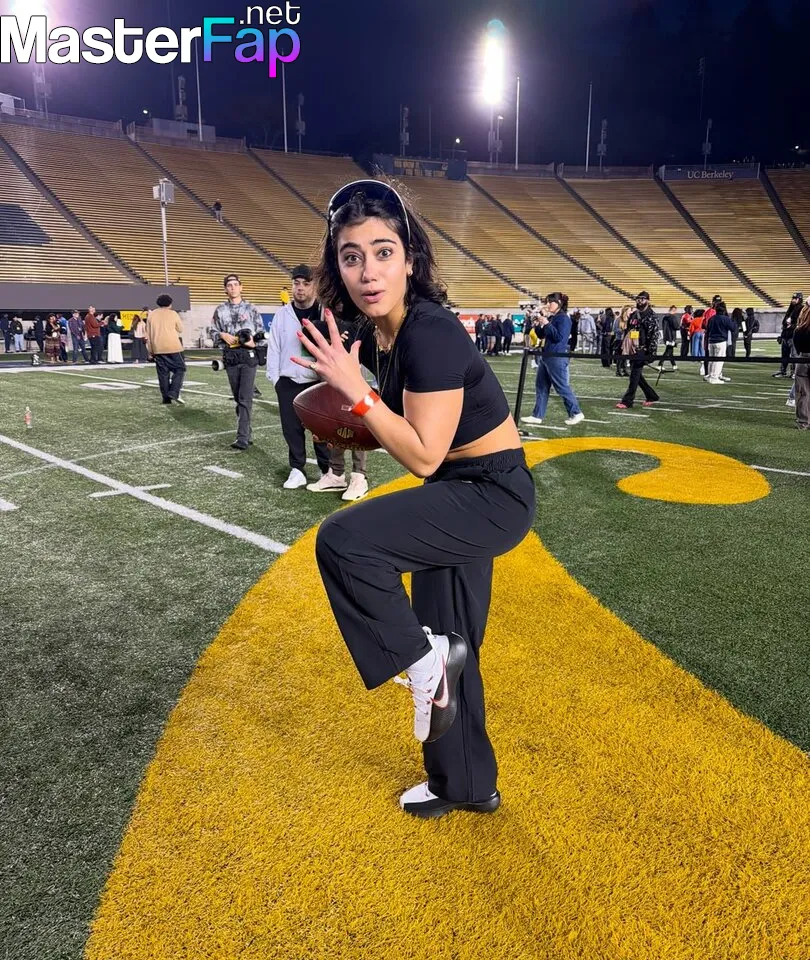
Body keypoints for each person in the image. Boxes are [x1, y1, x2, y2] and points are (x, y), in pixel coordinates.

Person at [297, 178, 535, 820]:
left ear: (410, 259)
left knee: (344, 541)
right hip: (459, 488)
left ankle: (421, 659)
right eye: (351, 257)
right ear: (337, 268)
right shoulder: (383, 332)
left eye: (383, 252)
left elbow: (425, 453)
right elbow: (414, 439)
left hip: (489, 494)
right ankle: (465, 784)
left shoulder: (428, 331)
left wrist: (357, 395)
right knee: (453, 644)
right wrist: (358, 413)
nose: (368, 271)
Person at [266, 264, 331, 484]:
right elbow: (273, 348)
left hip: (318, 380)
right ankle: (297, 469)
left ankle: (326, 469)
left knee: (321, 428)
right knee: (292, 428)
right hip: (289, 380)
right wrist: (276, 379)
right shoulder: (282, 315)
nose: (300, 288)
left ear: (315, 286)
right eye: (296, 283)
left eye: (306, 283)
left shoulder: (324, 312)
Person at [212, 274, 264, 449]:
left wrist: (253, 343)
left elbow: (261, 333)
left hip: (248, 356)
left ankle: (242, 438)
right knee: (238, 397)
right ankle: (247, 432)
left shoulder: (251, 309)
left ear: (241, 287)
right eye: (229, 285)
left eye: (235, 284)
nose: (233, 287)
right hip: (230, 357)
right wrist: (221, 335)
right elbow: (212, 331)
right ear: (225, 289)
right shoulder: (220, 310)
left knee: (244, 398)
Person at [520, 293, 585, 427]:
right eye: (548, 302)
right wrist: (539, 322)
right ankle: (537, 415)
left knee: (561, 386)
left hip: (556, 356)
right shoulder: (554, 317)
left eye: (551, 302)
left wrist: (547, 323)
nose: (548, 304)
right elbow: (540, 335)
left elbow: (558, 337)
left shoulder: (563, 318)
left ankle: (576, 412)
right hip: (547, 355)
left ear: (559, 303)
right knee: (541, 386)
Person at [616, 291, 659, 409]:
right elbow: (629, 331)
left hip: (643, 350)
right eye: (638, 299)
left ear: (648, 300)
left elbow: (654, 336)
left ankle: (627, 401)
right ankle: (651, 395)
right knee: (636, 374)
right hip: (633, 348)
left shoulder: (652, 316)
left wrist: (651, 354)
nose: (639, 301)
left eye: (642, 299)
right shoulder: (634, 315)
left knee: (634, 375)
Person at [146, 294, 186, 405]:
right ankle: (174, 391)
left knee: (163, 374)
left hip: (157, 348)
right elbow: (180, 329)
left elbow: (148, 335)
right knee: (180, 369)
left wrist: (150, 350)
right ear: (170, 303)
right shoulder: (173, 314)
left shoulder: (151, 315)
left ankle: (166, 399)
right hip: (173, 347)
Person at [705, 300, 735, 384]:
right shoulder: (725, 319)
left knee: (711, 359)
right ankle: (714, 377)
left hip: (711, 341)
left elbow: (707, 329)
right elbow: (733, 328)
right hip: (720, 341)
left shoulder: (711, 319)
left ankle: (710, 375)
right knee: (719, 360)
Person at [774, 293, 802, 378]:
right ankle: (783, 371)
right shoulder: (790, 309)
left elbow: (801, 323)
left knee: (794, 355)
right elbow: (784, 323)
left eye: (795, 298)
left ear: (799, 299)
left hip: (793, 336)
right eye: (793, 298)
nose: (793, 300)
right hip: (786, 335)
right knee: (784, 355)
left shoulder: (801, 309)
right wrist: (781, 335)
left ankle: (794, 372)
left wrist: (792, 325)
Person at [792, 303, 810, 429]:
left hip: (803, 359)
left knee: (803, 392)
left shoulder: (799, 330)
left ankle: (803, 421)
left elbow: (797, 347)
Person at [658, 305, 680, 371]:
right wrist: (680, 327)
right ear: (674, 310)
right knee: (668, 351)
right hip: (671, 337)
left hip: (666, 336)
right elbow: (676, 326)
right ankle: (660, 364)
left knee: (670, 351)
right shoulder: (672, 317)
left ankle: (674, 365)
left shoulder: (665, 317)